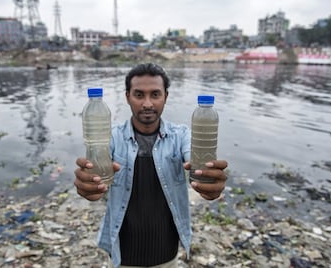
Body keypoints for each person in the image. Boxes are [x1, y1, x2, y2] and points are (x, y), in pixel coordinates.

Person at [74, 63, 228, 268]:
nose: (147, 103)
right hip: (123, 251)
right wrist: (89, 186)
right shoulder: (111, 137)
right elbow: (96, 169)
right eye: (139, 95)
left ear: (166, 96)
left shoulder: (180, 135)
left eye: (155, 94)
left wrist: (207, 175)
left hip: (166, 249)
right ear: (127, 96)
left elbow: (194, 154)